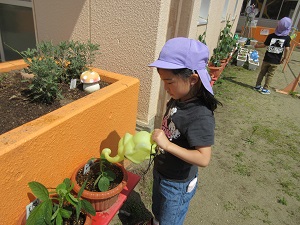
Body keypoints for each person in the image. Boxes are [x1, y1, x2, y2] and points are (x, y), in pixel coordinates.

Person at [138, 37, 222, 225]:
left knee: (171, 218)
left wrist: (167, 145)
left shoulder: (200, 115)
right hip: (163, 171)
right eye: (163, 82)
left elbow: (203, 158)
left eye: (169, 82)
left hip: (177, 182)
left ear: (192, 79)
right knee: (159, 208)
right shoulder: (179, 98)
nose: (166, 88)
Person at [253, 17, 292, 94]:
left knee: (262, 73)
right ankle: (265, 89)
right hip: (276, 61)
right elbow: (287, 49)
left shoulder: (271, 36)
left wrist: (257, 46)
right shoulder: (287, 38)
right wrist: (284, 58)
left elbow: (264, 45)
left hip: (266, 58)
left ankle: (257, 86)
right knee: (270, 75)